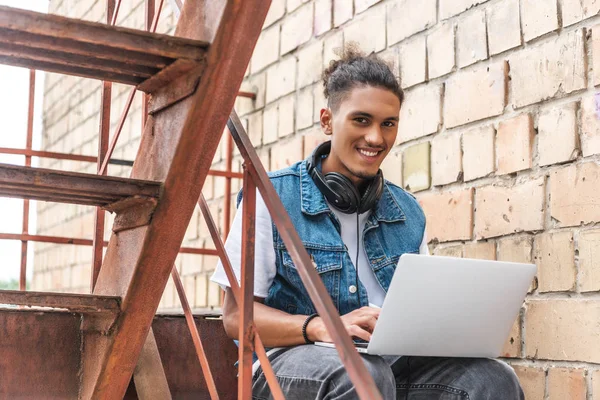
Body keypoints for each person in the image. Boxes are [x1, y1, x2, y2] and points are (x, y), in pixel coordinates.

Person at [211, 45, 524, 399]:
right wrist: (321, 327)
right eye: (361, 120)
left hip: (385, 368)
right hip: (282, 366)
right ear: (328, 120)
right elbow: (235, 318)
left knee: (493, 379)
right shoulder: (272, 197)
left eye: (388, 124)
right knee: (364, 374)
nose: (376, 138)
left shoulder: (407, 212)